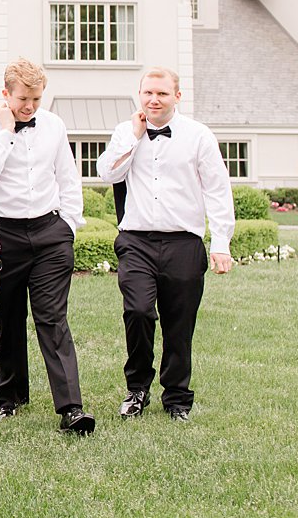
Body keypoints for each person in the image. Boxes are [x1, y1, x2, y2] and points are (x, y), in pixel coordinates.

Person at [96, 67, 234, 422]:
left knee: (179, 323)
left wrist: (220, 243)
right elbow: (107, 173)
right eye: (147, 93)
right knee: (138, 312)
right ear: (139, 95)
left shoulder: (199, 136)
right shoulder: (125, 132)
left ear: (177, 96)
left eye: (161, 93)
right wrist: (133, 137)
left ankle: (176, 398)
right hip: (136, 241)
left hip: (183, 243)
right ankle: (137, 389)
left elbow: (217, 191)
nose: (154, 100)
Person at [0, 59, 95, 434]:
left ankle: (71, 408)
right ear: (5, 93)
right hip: (4, 235)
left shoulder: (53, 125)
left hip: (50, 234)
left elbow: (68, 179)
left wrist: (68, 227)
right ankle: (11, 398)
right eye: (24, 99)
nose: (30, 107)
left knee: (52, 318)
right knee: (8, 319)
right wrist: (6, 132)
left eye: (37, 99)